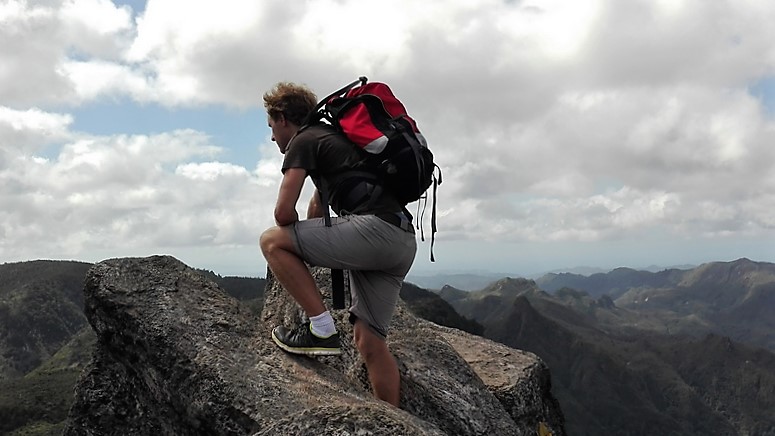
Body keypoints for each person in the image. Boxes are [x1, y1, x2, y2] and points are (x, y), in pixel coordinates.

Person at [259, 82, 417, 407]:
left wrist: (299, 243)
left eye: (272, 126)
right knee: (370, 342)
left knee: (272, 242)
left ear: (283, 118)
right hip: (401, 240)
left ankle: (321, 329)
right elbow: (318, 211)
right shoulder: (333, 139)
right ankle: (395, 422)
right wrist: (314, 240)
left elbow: (282, 214)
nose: (273, 136)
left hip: (374, 233)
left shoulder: (303, 141)